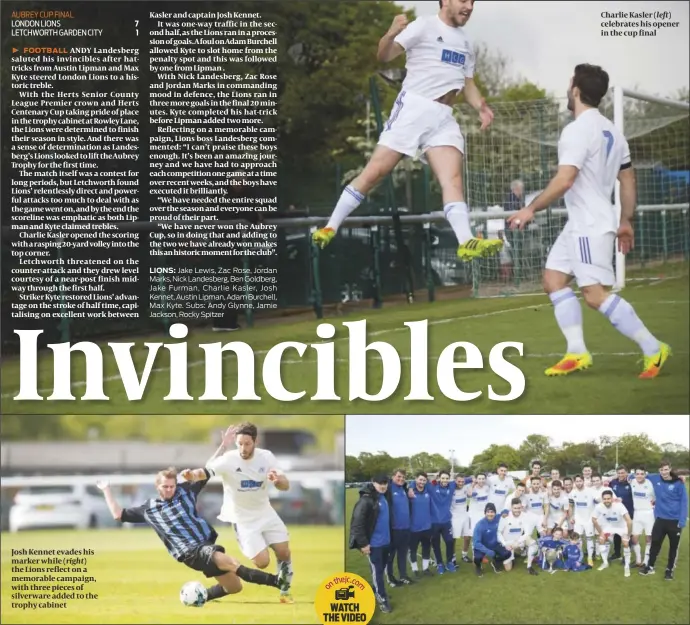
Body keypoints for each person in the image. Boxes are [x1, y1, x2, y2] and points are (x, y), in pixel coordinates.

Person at [507, 63, 670, 378]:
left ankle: (653, 348)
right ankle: (577, 352)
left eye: (570, 84)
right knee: (553, 280)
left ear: (576, 90)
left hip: (588, 225)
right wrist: (625, 220)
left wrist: (530, 209)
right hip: (583, 223)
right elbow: (629, 180)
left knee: (594, 295)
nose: (568, 89)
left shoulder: (578, 129)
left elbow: (565, 179)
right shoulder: (612, 131)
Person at [312, 0, 503, 263]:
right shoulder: (424, 26)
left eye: (472, 2)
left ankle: (465, 241)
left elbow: (467, 83)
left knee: (453, 180)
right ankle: (330, 226)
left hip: (443, 117)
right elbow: (384, 55)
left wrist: (481, 107)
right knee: (374, 173)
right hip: (414, 109)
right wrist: (390, 33)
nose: (469, 6)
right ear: (445, 1)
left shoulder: (466, 43)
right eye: (463, 0)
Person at [96, 468, 289, 602]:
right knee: (232, 563)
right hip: (191, 552)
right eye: (165, 487)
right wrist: (106, 489)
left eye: (172, 486)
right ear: (158, 487)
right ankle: (277, 580)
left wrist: (223, 446)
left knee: (234, 587)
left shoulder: (185, 492)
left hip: (204, 544)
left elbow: (207, 471)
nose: (169, 489)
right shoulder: (149, 509)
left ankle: (200, 596)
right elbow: (118, 514)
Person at [205, 423, 294, 603]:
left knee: (284, 552)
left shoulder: (266, 457)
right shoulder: (229, 459)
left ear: (255, 441)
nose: (243, 448)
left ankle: (285, 591)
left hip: (265, 513)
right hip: (242, 519)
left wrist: (277, 481)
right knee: (262, 563)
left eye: (247, 443)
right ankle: (230, 564)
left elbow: (285, 485)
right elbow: (208, 469)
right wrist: (223, 446)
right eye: (239, 444)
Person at [349, 474, 393, 613]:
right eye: (380, 483)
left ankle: (377, 590)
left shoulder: (384, 497)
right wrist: (364, 544)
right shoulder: (366, 500)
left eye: (385, 483)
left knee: (381, 568)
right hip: (374, 544)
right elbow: (357, 524)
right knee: (377, 571)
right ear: (373, 482)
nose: (383, 485)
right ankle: (382, 598)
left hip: (386, 541)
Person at [639, 460, 688, 581]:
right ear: (659, 471)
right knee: (655, 543)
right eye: (661, 470)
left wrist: (681, 521)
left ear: (670, 469)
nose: (664, 472)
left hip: (674, 521)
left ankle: (669, 570)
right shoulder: (656, 478)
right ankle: (650, 566)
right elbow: (639, 475)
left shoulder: (678, 483)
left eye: (666, 469)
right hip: (660, 519)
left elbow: (684, 502)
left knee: (673, 547)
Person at [592, 489, 633, 577]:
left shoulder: (619, 505)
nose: (606, 500)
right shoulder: (599, 507)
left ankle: (626, 566)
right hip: (609, 526)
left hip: (622, 526)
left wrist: (628, 535)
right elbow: (594, 520)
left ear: (612, 499)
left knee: (625, 543)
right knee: (601, 540)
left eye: (608, 498)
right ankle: (605, 563)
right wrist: (601, 533)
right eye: (605, 499)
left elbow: (629, 521)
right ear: (602, 499)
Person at [385, 469, 415, 587]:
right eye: (398, 476)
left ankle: (403, 576)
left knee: (402, 554)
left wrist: (410, 487)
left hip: (406, 528)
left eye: (403, 477)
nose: (401, 479)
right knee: (390, 556)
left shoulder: (404, 488)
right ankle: (391, 578)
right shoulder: (388, 488)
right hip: (393, 529)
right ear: (393, 477)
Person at [497, 498, 539, 575]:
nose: (517, 510)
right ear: (511, 507)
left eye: (519, 508)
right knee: (508, 569)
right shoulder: (505, 517)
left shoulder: (525, 516)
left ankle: (529, 567)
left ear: (521, 507)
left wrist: (518, 542)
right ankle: (506, 556)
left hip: (518, 542)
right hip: (507, 544)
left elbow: (527, 533)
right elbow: (498, 533)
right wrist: (505, 544)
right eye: (515, 508)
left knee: (533, 544)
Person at [428, 470, 457, 573]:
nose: (445, 480)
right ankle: (439, 564)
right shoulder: (432, 487)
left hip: (446, 521)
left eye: (447, 478)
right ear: (439, 478)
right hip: (434, 522)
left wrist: (474, 480)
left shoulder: (452, 486)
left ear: (449, 479)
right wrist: (433, 480)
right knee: (436, 544)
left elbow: (463, 479)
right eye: (443, 478)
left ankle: (449, 562)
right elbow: (416, 482)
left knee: (449, 542)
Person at [472, 503, 511, 576]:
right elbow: (476, 543)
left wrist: (505, 512)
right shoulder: (480, 525)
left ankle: (495, 563)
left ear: (495, 513)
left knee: (508, 553)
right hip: (482, 546)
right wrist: (488, 551)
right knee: (477, 558)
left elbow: (505, 511)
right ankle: (478, 567)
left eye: (492, 512)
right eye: (488, 512)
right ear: (485, 513)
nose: (490, 514)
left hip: (495, 545)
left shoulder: (497, 518)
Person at [408, 472, 434, 578]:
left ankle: (425, 568)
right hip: (413, 528)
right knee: (413, 549)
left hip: (427, 527)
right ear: (415, 479)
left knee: (426, 548)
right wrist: (410, 486)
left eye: (424, 480)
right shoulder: (410, 492)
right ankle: (415, 569)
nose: (422, 482)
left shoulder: (428, 490)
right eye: (420, 480)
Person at [607, 465, 634, 564]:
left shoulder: (631, 482)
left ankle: (626, 556)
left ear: (626, 473)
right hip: (616, 513)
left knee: (627, 534)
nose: (621, 475)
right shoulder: (613, 483)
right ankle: (617, 553)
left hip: (628, 512)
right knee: (616, 534)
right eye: (619, 473)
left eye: (623, 473)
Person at [630, 467, 656, 568]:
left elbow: (656, 497)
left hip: (648, 513)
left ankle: (646, 561)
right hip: (637, 513)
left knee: (648, 538)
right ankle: (638, 560)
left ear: (645, 474)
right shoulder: (632, 481)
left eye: (642, 474)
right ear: (635, 474)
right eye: (638, 474)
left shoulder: (650, 483)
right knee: (634, 538)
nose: (639, 476)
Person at [570, 474, 596, 566]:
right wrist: (571, 517)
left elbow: (598, 502)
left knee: (589, 538)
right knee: (578, 539)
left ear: (583, 481)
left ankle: (589, 558)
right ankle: (579, 557)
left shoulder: (591, 491)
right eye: (576, 481)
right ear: (574, 482)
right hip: (578, 519)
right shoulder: (573, 493)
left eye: (580, 481)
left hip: (589, 519)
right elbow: (571, 505)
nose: (578, 483)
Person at [451, 474, 473, 564]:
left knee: (467, 537)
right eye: (458, 481)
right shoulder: (451, 488)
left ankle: (464, 555)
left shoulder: (466, 487)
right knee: (453, 538)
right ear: (455, 481)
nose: (461, 483)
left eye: (462, 481)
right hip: (454, 516)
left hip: (465, 514)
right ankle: (453, 558)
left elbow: (473, 479)